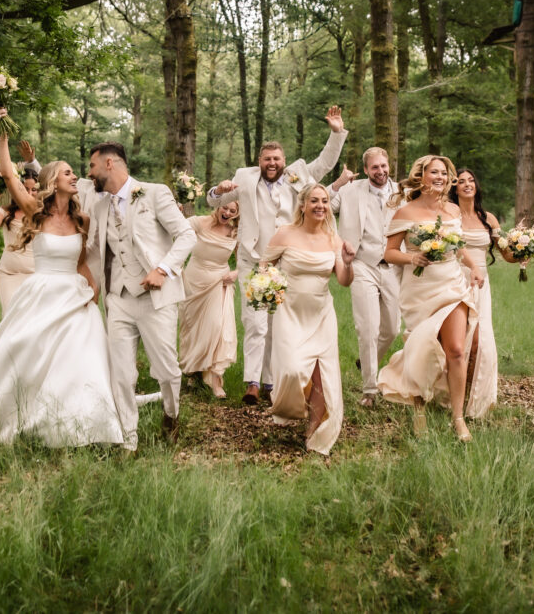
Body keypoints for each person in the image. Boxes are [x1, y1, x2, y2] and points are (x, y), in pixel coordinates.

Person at [0, 126, 124, 448]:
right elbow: (9, 175)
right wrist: (4, 135)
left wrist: (92, 290)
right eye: (68, 173)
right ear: (53, 180)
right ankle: (16, 412)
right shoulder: (36, 211)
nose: (74, 176)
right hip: (41, 292)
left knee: (82, 359)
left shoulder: (82, 220)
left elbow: (81, 261)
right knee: (24, 352)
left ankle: (82, 424)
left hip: (75, 295)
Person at [207, 106, 348, 405]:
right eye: (267, 159)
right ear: (259, 161)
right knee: (256, 322)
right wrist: (217, 191)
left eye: (276, 159)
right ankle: (253, 383)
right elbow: (215, 199)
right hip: (252, 260)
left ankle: (271, 381)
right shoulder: (244, 178)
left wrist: (336, 133)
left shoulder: (298, 175)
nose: (272, 163)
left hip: (286, 263)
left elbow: (325, 163)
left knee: (277, 323)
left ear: (284, 161)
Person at [86, 141, 197, 449]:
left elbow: (187, 235)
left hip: (155, 298)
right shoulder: (99, 204)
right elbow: (99, 252)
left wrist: (162, 270)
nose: (89, 173)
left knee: (166, 369)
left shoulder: (154, 192)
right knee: (121, 372)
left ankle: (171, 415)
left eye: (92, 166)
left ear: (110, 164)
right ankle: (128, 439)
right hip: (118, 298)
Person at [376, 155, 484, 442]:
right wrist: (413, 257)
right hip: (419, 290)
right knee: (422, 348)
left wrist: (473, 268)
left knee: (457, 351)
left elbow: (459, 248)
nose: (440, 177)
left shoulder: (452, 210)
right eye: (434, 172)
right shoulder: (406, 213)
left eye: (444, 173)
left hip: (451, 285)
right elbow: (389, 253)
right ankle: (419, 407)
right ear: (421, 177)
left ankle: (458, 418)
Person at [262, 183, 355, 455]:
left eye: (324, 201)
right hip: (289, 311)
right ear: (302, 205)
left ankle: (313, 435)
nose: (320, 206)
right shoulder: (285, 234)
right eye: (314, 201)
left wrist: (348, 263)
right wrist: (267, 288)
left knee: (322, 376)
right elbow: (264, 266)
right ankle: (288, 408)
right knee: (291, 369)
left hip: (321, 313)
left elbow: (344, 281)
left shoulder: (333, 240)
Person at [329, 146, 402, 408]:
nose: (380, 171)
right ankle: (369, 389)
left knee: (392, 328)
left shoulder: (402, 193)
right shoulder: (351, 190)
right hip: (361, 264)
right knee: (367, 328)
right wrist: (338, 183)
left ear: (388, 166)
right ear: (367, 169)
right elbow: (325, 204)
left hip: (393, 266)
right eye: (374, 167)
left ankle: (367, 359)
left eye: (383, 166)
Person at [448, 168, 518, 418]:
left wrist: (522, 250)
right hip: (455, 281)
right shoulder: (450, 213)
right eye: (461, 182)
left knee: (480, 343)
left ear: (476, 186)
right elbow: (451, 245)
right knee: (459, 340)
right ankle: (451, 396)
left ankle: (473, 400)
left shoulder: (488, 218)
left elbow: (505, 253)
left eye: (471, 181)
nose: (467, 184)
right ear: (454, 188)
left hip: (481, 285)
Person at [178, 202, 240, 399]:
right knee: (192, 329)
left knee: (216, 328)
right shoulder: (199, 222)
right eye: (225, 208)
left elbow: (245, 260)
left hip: (219, 282)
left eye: (232, 211)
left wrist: (236, 273)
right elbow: (174, 228)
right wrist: (177, 212)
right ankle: (193, 371)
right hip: (193, 281)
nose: (227, 213)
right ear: (218, 207)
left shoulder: (235, 232)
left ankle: (215, 381)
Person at [0, 168, 38, 314]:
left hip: (36, 276)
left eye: (34, 189)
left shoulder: (43, 214)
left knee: (32, 318)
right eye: (25, 189)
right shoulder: (7, 212)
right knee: (10, 314)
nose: (29, 193)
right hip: (9, 274)